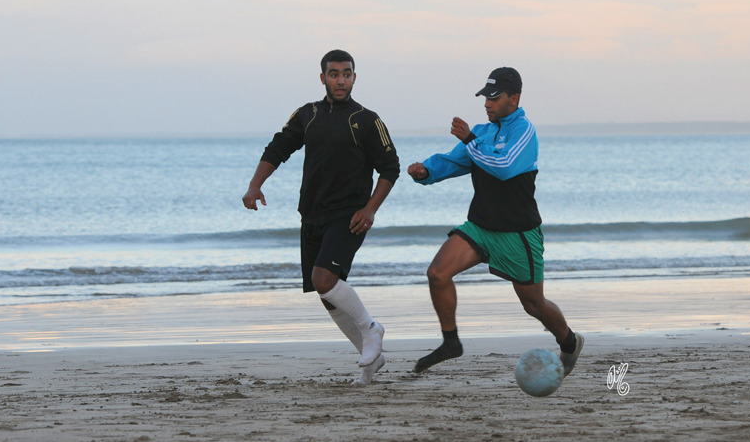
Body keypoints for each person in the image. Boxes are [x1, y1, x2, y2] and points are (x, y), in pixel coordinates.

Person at [407, 67, 583, 376]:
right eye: (484, 98)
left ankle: (569, 341)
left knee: (533, 305)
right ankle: (451, 342)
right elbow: (456, 160)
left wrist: (471, 139)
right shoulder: (483, 131)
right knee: (437, 273)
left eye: (493, 98)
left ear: (514, 99)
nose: (487, 104)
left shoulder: (524, 131)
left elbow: (502, 166)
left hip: (517, 233)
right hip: (481, 226)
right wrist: (427, 172)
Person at [242, 49, 399, 386]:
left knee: (325, 279)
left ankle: (372, 330)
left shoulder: (367, 120)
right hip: (311, 213)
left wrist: (370, 209)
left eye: (346, 73)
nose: (340, 80)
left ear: (355, 77)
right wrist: (255, 185)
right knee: (327, 295)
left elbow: (390, 168)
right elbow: (278, 148)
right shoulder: (308, 114)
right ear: (322, 77)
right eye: (333, 74)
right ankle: (370, 360)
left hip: (350, 215)